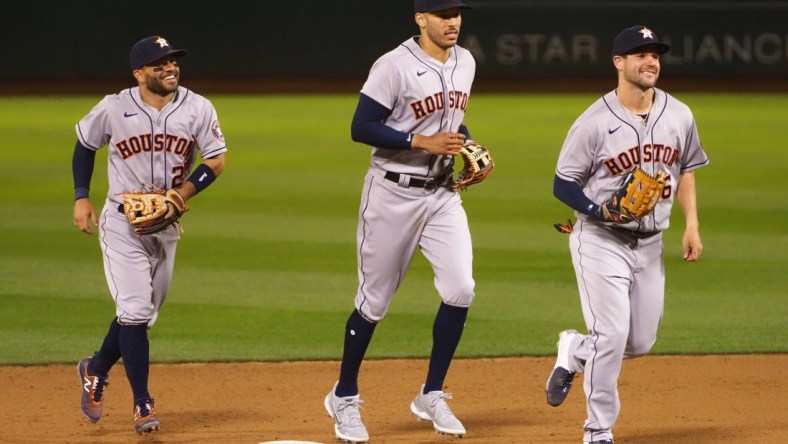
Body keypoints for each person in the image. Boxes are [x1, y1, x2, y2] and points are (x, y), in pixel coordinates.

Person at [545, 25, 709, 444]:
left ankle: (574, 349)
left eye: (655, 53)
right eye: (640, 53)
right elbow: (563, 184)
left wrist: (691, 224)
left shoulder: (680, 114)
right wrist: (599, 210)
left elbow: (686, 167)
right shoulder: (593, 122)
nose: (650, 60)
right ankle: (598, 430)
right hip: (600, 240)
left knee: (637, 342)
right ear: (619, 63)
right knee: (613, 335)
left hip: (652, 244)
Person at [323, 0, 478, 442]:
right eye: (443, 14)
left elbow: (453, 123)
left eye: (457, 14)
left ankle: (431, 393)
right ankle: (345, 396)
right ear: (420, 18)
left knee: (461, 288)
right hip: (392, 193)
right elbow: (361, 126)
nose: (452, 22)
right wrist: (419, 140)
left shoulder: (465, 61)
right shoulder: (393, 65)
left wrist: (465, 144)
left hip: (443, 195)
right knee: (374, 302)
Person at [72, 35, 226, 435]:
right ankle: (142, 404)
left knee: (138, 315)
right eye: (160, 64)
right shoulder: (114, 106)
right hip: (122, 221)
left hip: (166, 225)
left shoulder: (198, 107)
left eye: (173, 61)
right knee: (136, 312)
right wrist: (81, 197)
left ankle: (95, 368)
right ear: (139, 73)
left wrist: (182, 194)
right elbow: (85, 145)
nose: (170, 68)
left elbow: (216, 160)